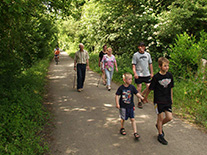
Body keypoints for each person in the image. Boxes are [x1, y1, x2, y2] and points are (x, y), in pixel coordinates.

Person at [144, 57, 174, 145]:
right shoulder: (156, 77)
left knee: (169, 117)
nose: (167, 67)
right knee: (160, 118)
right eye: (165, 66)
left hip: (167, 100)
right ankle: (160, 135)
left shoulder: (170, 75)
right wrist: (145, 97)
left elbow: (171, 88)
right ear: (160, 66)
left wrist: (171, 98)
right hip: (158, 100)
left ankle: (158, 125)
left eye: (168, 66)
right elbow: (150, 88)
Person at [115, 73, 144, 140]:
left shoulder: (132, 87)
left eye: (131, 79)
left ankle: (135, 132)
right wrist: (117, 104)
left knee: (132, 119)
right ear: (124, 80)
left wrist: (142, 98)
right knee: (123, 118)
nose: (131, 80)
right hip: (123, 106)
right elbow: (117, 95)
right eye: (129, 79)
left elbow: (137, 93)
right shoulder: (121, 88)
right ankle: (122, 128)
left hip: (130, 106)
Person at [132, 42, 153, 109]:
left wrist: (152, 72)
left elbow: (150, 64)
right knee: (139, 87)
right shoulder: (135, 55)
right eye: (141, 46)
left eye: (143, 46)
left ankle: (142, 94)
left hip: (146, 73)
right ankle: (139, 101)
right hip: (139, 74)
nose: (142, 48)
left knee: (149, 86)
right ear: (138, 47)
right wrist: (135, 73)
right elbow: (133, 65)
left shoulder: (148, 55)